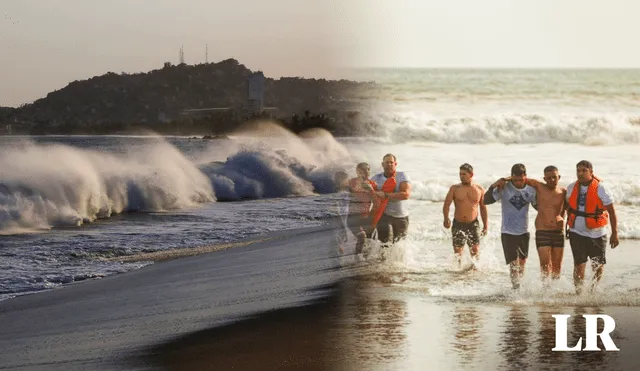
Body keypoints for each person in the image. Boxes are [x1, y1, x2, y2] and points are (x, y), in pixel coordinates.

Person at [565, 160, 619, 294]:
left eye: (584, 170)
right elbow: (568, 207)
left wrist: (615, 233)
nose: (580, 173)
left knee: (598, 265)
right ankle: (579, 293)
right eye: (578, 170)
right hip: (576, 233)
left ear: (591, 172)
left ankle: (592, 291)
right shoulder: (572, 187)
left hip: (597, 234)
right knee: (579, 264)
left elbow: (612, 212)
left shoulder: (601, 188)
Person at [505, 166, 567, 281]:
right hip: (542, 231)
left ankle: (554, 294)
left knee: (557, 268)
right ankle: (544, 292)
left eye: (554, 177)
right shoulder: (539, 187)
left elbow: (569, 208)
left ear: (559, 177)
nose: (552, 180)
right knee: (545, 266)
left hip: (558, 232)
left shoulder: (563, 191)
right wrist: (503, 180)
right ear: (544, 178)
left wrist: (562, 218)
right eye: (548, 178)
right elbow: (521, 178)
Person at [484, 163, 537, 289]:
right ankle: (516, 289)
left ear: (525, 176)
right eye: (516, 180)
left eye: (521, 179)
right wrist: (493, 186)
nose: (518, 183)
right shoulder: (504, 187)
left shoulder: (531, 189)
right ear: (511, 177)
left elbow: (538, 206)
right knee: (514, 264)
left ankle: (520, 286)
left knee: (522, 263)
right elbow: (486, 200)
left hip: (524, 231)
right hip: (508, 232)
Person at [442, 163, 488, 268]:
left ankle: (474, 273)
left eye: (464, 174)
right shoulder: (455, 188)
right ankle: (458, 273)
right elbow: (446, 204)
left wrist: (485, 225)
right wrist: (446, 219)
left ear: (471, 174)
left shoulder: (479, 189)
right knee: (458, 252)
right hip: (458, 223)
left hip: (473, 224)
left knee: (475, 250)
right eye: (460, 174)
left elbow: (483, 208)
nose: (461, 176)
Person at [370, 154, 412, 244]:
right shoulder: (376, 178)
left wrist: (386, 195)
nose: (389, 164)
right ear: (382, 164)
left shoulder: (402, 176)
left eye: (391, 162)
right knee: (384, 243)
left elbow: (406, 195)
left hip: (401, 216)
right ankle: (383, 258)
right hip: (384, 215)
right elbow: (368, 195)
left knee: (399, 245)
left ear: (395, 164)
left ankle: (398, 259)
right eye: (386, 162)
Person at [347, 162, 378, 254]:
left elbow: (376, 201)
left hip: (366, 217)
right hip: (352, 218)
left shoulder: (373, 184)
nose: (366, 171)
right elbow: (354, 190)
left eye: (367, 169)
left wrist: (371, 191)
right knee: (361, 237)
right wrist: (363, 187)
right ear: (357, 171)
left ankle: (364, 262)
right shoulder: (352, 181)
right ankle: (357, 259)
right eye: (362, 169)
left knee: (369, 240)